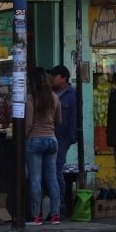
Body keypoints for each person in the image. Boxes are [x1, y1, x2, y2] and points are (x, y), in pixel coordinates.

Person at [25, 67, 63, 225]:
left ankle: (36, 216)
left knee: (35, 179)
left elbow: (28, 123)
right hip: (52, 140)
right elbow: (59, 121)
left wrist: (23, 139)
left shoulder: (31, 98)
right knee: (52, 178)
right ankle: (55, 215)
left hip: (35, 140)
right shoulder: (54, 97)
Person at [49, 65, 77, 218]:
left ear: (64, 78)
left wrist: (69, 140)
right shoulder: (49, 93)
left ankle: (60, 206)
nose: (52, 79)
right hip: (49, 136)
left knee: (57, 171)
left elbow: (74, 118)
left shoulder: (71, 95)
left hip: (61, 139)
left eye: (55, 76)